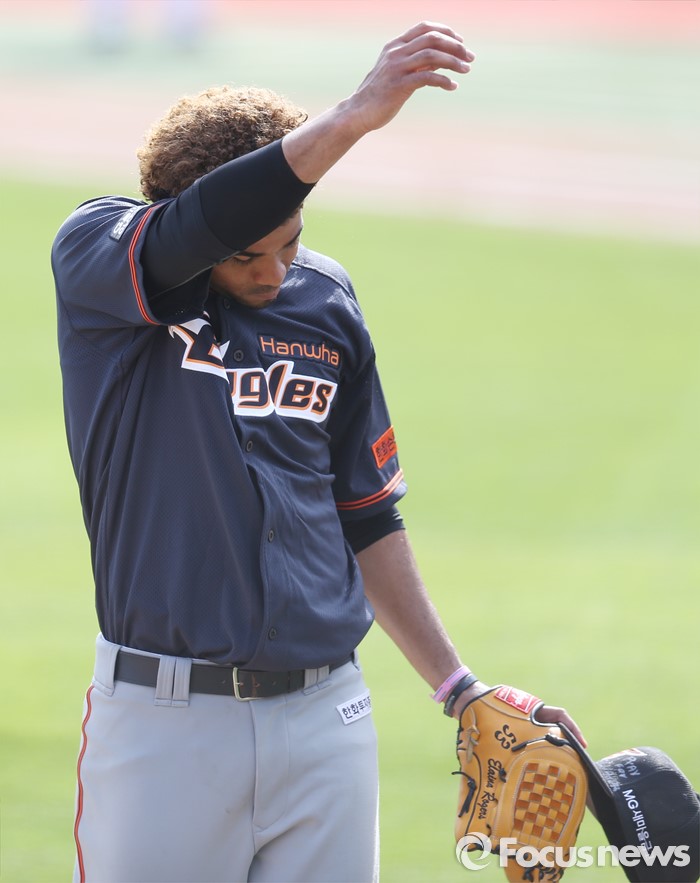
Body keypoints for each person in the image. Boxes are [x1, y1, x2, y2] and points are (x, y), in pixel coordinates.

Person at [51, 21, 585, 883]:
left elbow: (366, 513)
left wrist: (460, 687)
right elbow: (201, 222)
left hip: (327, 720)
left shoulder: (325, 302)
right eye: (246, 254)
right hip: (165, 725)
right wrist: (354, 117)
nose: (273, 271)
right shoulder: (100, 262)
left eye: (290, 241)